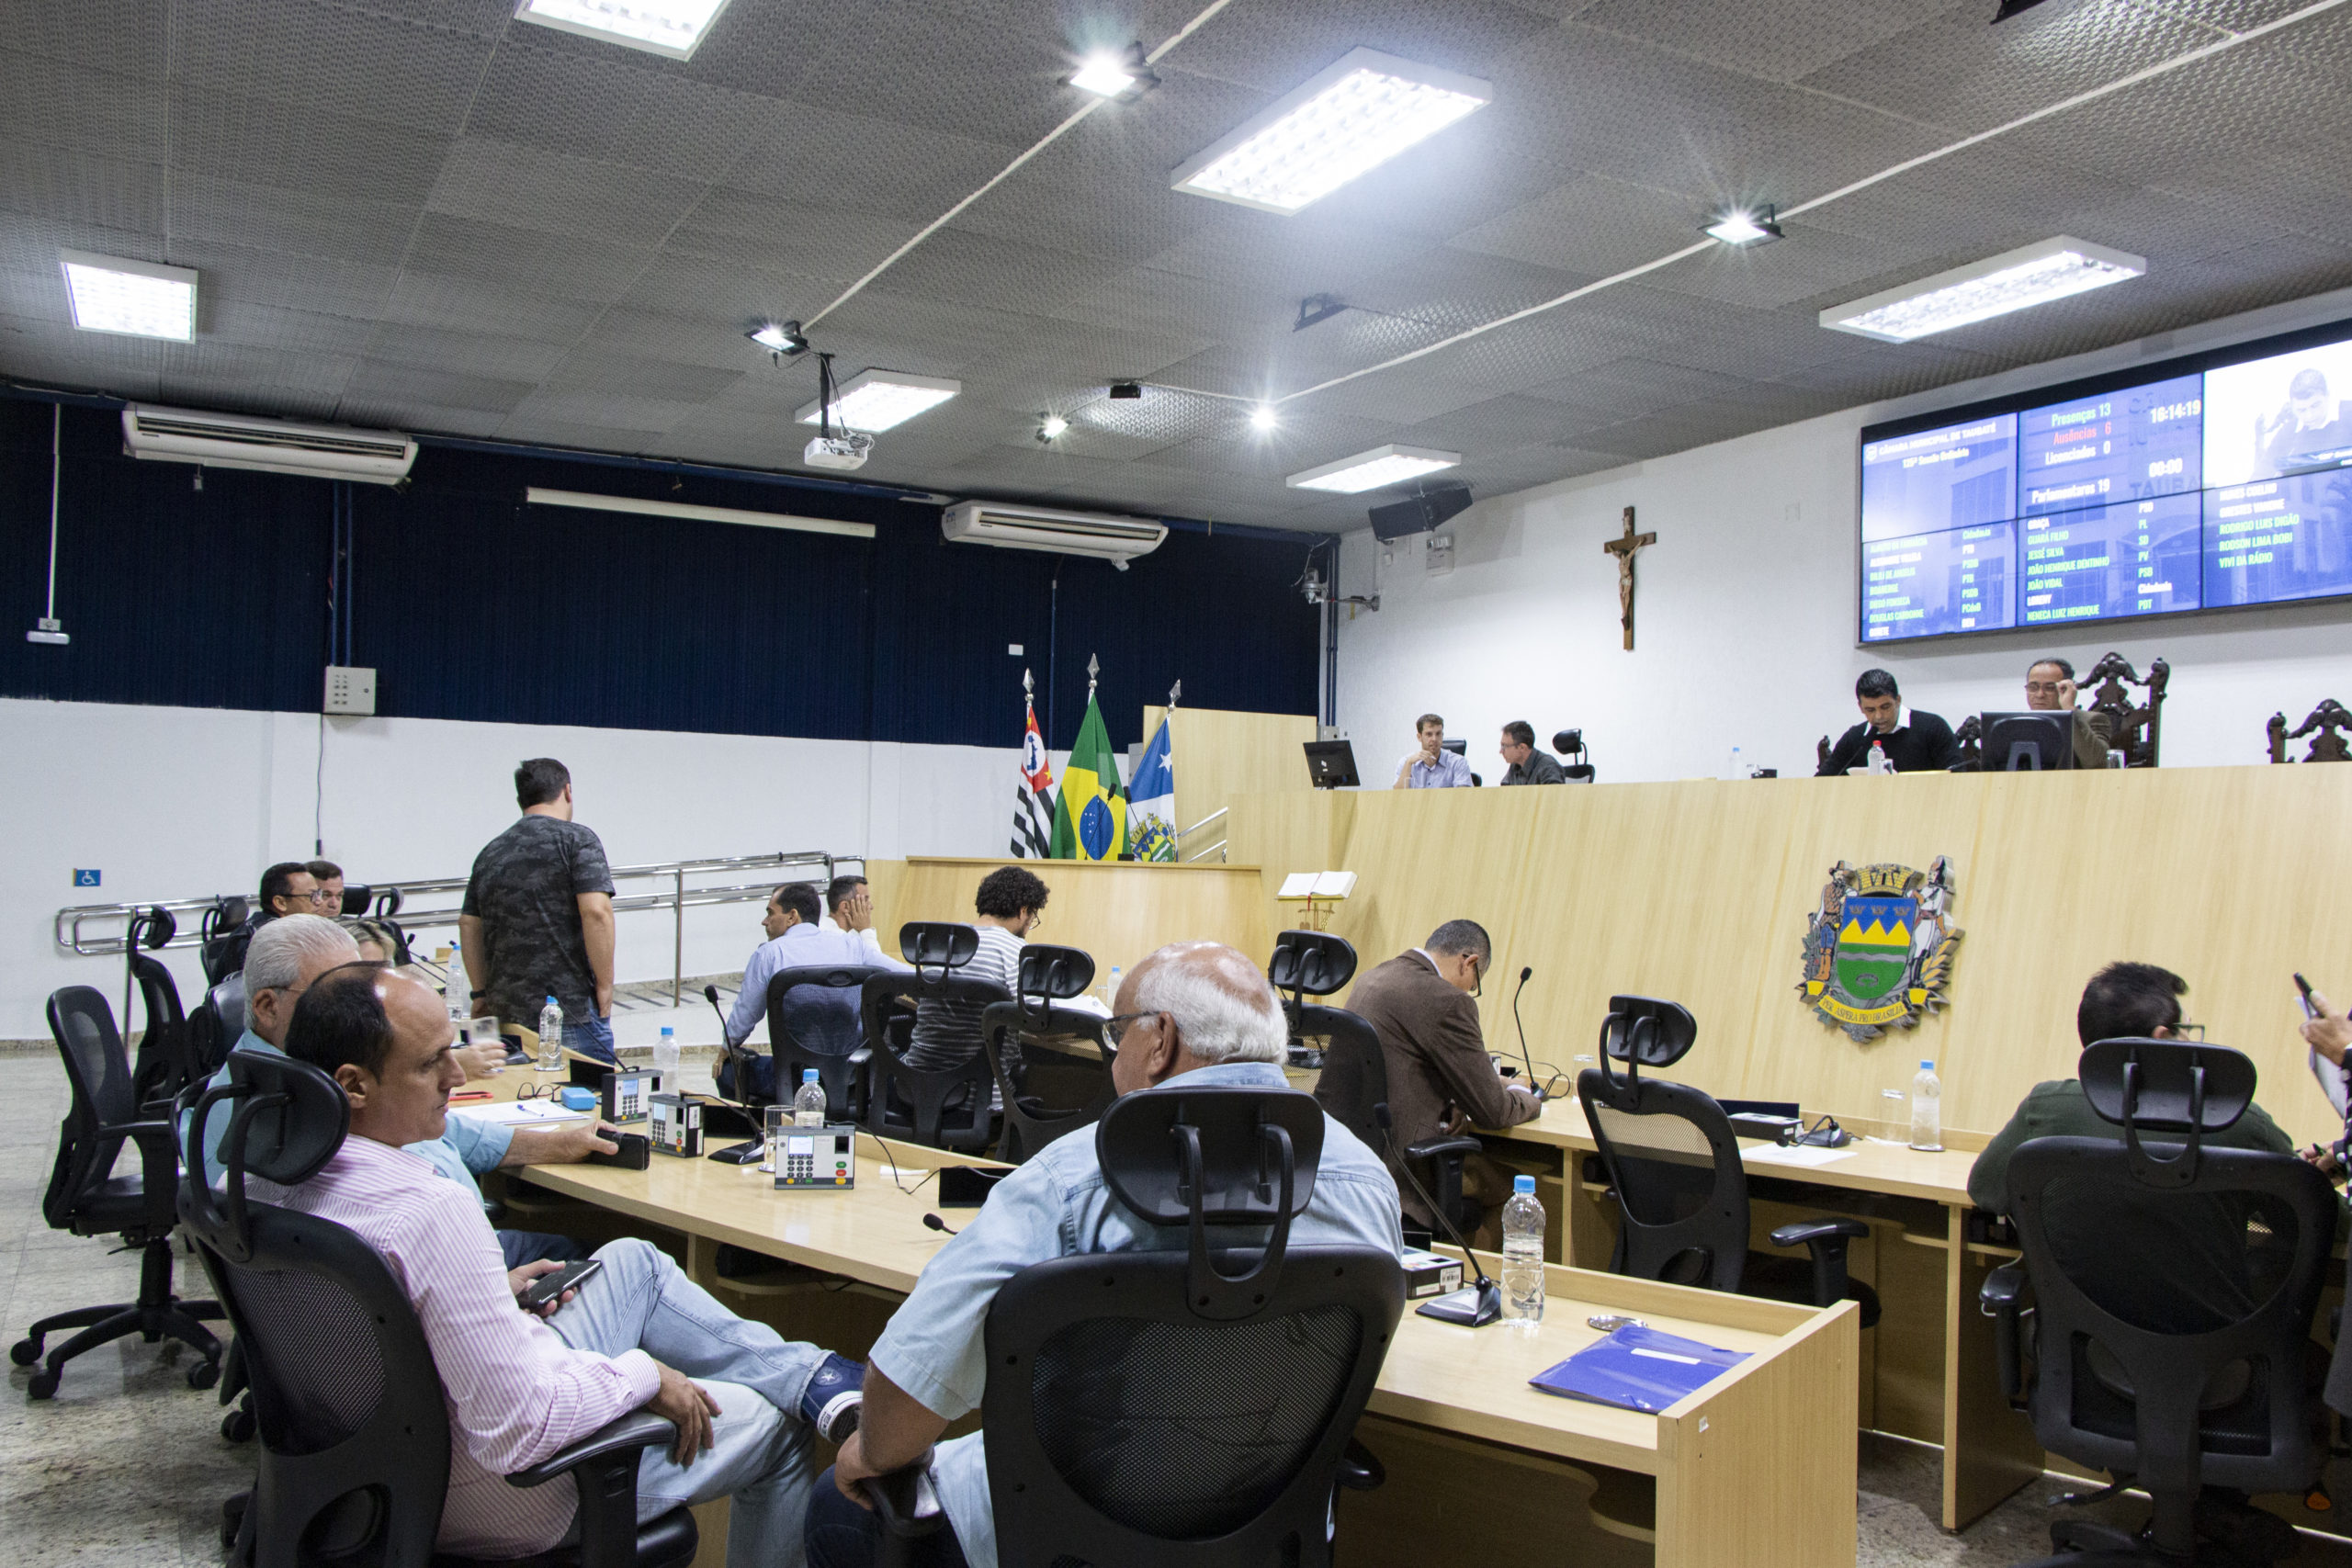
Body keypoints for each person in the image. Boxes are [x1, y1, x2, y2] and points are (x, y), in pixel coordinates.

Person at [802, 942, 1403, 1568]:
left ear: (1160, 1040)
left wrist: (869, 1455)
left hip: (1071, 1545)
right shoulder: (1365, 1180)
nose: (1113, 1053)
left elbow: (903, 1393)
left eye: (1118, 1033)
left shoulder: (1068, 1180)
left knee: (840, 1505)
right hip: (1263, 1539)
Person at [265, 965, 862, 1566]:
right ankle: (806, 1396)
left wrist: (488, 1292)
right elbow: (521, 1429)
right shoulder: (428, 1209)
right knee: (776, 1425)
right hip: (508, 1491)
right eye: (430, 1064)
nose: (455, 1074)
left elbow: (376, 1316)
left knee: (634, 1262)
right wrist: (642, 1374)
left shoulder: (270, 1170)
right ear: (354, 1084)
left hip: (383, 1462)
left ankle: (816, 1379)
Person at [182, 914, 616, 1267]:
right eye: (331, 990)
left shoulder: (309, 1077)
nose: (364, 1008)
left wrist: (561, 1144)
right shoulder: (276, 1109)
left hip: (452, 1251)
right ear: (266, 1006)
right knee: (628, 1259)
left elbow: (454, 1134)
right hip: (442, 1262)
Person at [1967, 962, 2294, 1334]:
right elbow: (2325, 1225)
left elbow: (1984, 1189)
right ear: (2161, 1039)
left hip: (2084, 1363)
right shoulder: (2242, 1122)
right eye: (2183, 1031)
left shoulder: (2045, 1110)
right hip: (2219, 1372)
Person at [1341, 919, 1540, 1242]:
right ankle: (1481, 1286)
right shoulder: (1448, 1001)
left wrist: (1455, 1098)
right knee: (1519, 1187)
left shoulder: (1372, 978)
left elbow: (1400, 1068)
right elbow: (1496, 1112)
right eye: (1475, 983)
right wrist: (1525, 1094)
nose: (1470, 991)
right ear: (1469, 962)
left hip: (1358, 1163)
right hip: (1406, 1173)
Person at [459, 758, 619, 1062]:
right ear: (567, 791)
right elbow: (597, 912)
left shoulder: (491, 851)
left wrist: (480, 994)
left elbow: (468, 923)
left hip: (506, 1014)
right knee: (588, 1102)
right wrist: (605, 983)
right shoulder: (577, 840)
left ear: (522, 799)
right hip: (568, 1013)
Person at [718, 882, 878, 1101]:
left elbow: (745, 1016)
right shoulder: (853, 946)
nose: (764, 921)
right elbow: (898, 975)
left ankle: (774, 1125)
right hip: (850, 1079)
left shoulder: (770, 954)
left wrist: (726, 1049)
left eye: (770, 913)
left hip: (792, 1080)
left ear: (792, 916)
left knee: (728, 1071)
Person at [898, 865, 1046, 1077]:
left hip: (917, 1084)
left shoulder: (944, 941)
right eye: (1033, 917)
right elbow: (1040, 1021)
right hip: (982, 1096)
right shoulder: (1016, 951)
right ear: (1023, 910)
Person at [1818, 670, 1958, 774]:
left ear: (1898, 700)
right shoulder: (1855, 739)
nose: (1879, 716)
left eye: (1885, 707)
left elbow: (1958, 775)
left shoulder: (1932, 727)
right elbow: (1823, 782)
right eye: (1870, 710)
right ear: (1860, 707)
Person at [2256, 367, 2350, 479]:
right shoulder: (2288, 432)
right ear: (2292, 406)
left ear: (2328, 395)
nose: (2309, 416)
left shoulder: (2349, 413)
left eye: (2315, 406)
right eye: (2301, 410)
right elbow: (2261, 473)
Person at [2024, 658, 2113, 769]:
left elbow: (2096, 763)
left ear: (2065, 689)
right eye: (2033, 687)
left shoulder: (2093, 720)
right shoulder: (2019, 724)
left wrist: (2069, 708)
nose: (2040, 694)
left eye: (2050, 688)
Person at [828, 875, 910, 974]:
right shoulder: (836, 938)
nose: (871, 907)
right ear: (845, 907)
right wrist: (865, 930)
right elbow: (878, 971)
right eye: (865, 900)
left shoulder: (850, 934)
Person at [1393, 713, 1473, 789]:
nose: (1434, 739)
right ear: (1419, 737)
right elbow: (1398, 797)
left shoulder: (1458, 762)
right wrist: (1409, 763)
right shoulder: (1406, 762)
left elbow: (1464, 797)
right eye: (1429, 734)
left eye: (1438, 734)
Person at [1498, 721, 1566, 785]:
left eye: (1504, 746)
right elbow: (1504, 792)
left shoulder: (1549, 767)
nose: (1501, 751)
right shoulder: (1515, 766)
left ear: (1522, 747)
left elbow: (1554, 796)